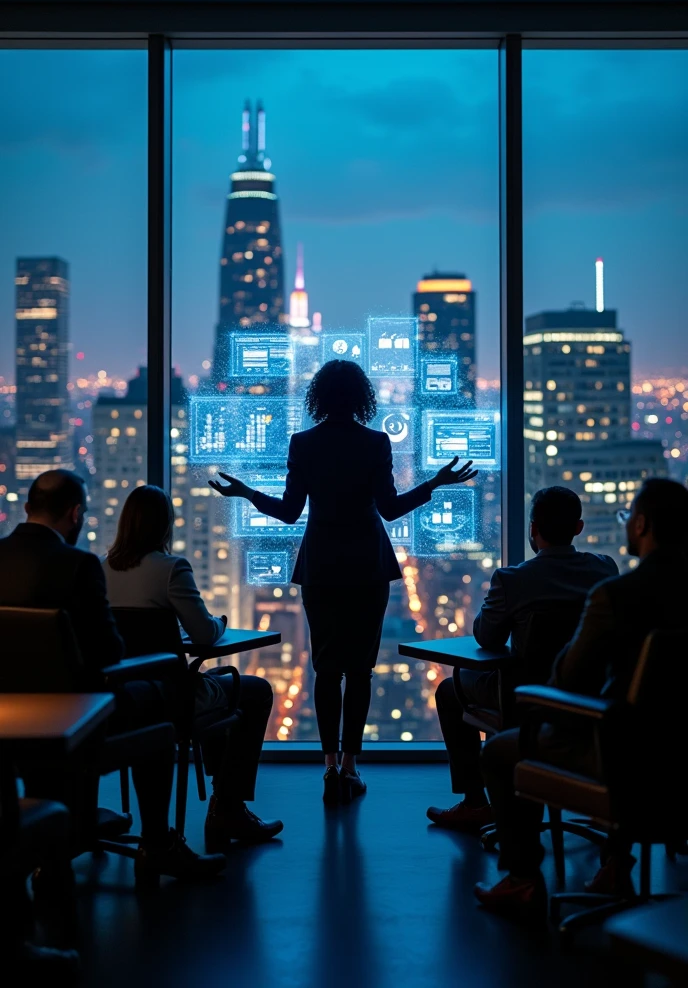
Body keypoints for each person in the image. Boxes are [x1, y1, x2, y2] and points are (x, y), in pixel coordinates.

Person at [209, 359, 477, 803]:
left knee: (326, 668)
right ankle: (351, 766)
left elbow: (290, 512)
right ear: (361, 398)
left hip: (321, 567)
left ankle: (329, 767)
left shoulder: (304, 443)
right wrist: (436, 483)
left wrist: (247, 493)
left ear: (318, 397)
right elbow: (389, 509)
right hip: (367, 566)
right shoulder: (376, 443)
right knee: (361, 670)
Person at [0, 469, 226, 885]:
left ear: (28, 508)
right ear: (75, 513)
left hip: (12, 715)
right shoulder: (78, 566)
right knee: (158, 719)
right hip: (79, 714)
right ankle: (157, 842)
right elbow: (109, 653)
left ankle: (71, 827)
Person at [475, 477, 688, 916]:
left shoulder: (616, 595)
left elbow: (567, 682)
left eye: (629, 518)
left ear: (643, 524)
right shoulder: (610, 573)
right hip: (678, 755)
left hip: (619, 751)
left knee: (498, 752)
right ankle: (615, 862)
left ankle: (522, 878)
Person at [427, 486, 617, 833]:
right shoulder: (605, 570)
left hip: (525, 702)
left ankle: (475, 803)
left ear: (533, 529)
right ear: (578, 528)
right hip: (592, 701)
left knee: (449, 689)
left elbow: (487, 638)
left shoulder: (513, 579)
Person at [103, 484, 283, 848]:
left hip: (122, 697)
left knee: (220, 687)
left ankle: (221, 805)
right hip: (171, 697)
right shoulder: (171, 569)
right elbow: (203, 634)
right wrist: (220, 621)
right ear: (164, 526)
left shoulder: (101, 570)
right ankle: (228, 807)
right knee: (254, 691)